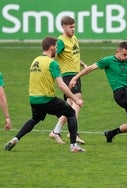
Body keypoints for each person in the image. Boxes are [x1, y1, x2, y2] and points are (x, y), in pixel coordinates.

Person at [4, 37, 85, 152]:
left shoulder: (35, 61)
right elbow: (61, 85)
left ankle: (15, 139)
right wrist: (75, 100)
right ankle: (73, 146)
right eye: (56, 47)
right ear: (52, 47)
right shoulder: (53, 64)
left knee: (34, 119)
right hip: (47, 99)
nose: (57, 50)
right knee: (71, 113)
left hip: (33, 99)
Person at [49, 16, 87, 144]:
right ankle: (73, 132)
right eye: (70, 27)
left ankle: (55, 131)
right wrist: (48, 68)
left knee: (71, 107)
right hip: (67, 76)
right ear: (63, 27)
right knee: (77, 102)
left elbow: (73, 55)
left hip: (76, 75)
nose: (73, 29)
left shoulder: (74, 38)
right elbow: (52, 56)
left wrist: (82, 65)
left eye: (74, 27)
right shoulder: (60, 41)